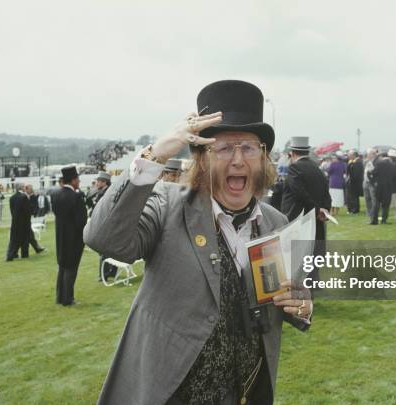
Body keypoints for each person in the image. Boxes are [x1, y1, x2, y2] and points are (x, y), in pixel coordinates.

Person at [84, 80, 312, 405]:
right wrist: (157, 153)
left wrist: (302, 306)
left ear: (263, 158)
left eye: (248, 147)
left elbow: (286, 301)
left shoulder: (274, 223)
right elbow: (104, 237)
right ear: (202, 158)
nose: (237, 160)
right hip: (170, 394)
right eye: (223, 148)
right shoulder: (167, 205)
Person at [282, 136, 332, 287]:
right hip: (315, 222)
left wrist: (317, 209)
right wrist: (324, 210)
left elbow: (298, 192)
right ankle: (311, 287)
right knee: (311, 256)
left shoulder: (295, 168)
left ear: (292, 153)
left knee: (296, 258)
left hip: (298, 219)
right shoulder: (317, 168)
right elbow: (326, 195)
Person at [53, 166, 87, 306]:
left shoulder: (55, 194)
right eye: (77, 179)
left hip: (60, 235)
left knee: (62, 266)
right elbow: (81, 221)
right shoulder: (76, 196)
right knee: (71, 268)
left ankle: (60, 296)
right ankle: (68, 298)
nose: (79, 181)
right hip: (74, 238)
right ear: (73, 180)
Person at [89, 171, 116, 281]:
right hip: (105, 223)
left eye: (98, 181)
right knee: (109, 250)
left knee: (104, 250)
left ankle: (104, 274)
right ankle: (111, 272)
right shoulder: (103, 192)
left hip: (105, 224)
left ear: (104, 182)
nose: (96, 183)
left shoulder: (105, 193)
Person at [368, 151, 396, 225]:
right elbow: (395, 176)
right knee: (386, 204)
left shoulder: (379, 164)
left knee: (377, 203)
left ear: (381, 157)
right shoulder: (393, 165)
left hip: (379, 186)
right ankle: (384, 220)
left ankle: (374, 220)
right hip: (388, 186)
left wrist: (372, 181)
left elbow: (372, 173)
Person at [6, 184, 32, 261]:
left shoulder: (12, 198)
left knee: (14, 240)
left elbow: (12, 211)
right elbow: (27, 211)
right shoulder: (24, 197)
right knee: (25, 239)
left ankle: (10, 255)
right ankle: (24, 254)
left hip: (15, 222)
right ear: (22, 188)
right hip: (24, 222)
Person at [326, 151, 346, 216]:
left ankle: (332, 211)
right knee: (338, 198)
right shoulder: (343, 164)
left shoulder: (333, 164)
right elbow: (345, 172)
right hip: (340, 182)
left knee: (332, 197)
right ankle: (337, 212)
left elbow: (328, 171)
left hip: (333, 182)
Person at [346, 149, 364, 214]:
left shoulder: (358, 162)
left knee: (354, 196)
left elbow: (356, 174)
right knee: (350, 196)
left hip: (355, 182)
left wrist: (351, 179)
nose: (348, 156)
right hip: (350, 182)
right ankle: (351, 208)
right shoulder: (351, 161)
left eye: (349, 155)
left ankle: (355, 209)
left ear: (353, 155)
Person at [363, 148, 377, 219]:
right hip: (365, 182)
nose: (367, 156)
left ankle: (374, 213)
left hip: (372, 182)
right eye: (367, 154)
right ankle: (369, 213)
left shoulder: (376, 162)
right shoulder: (365, 162)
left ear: (373, 154)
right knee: (367, 198)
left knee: (373, 199)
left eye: (369, 154)